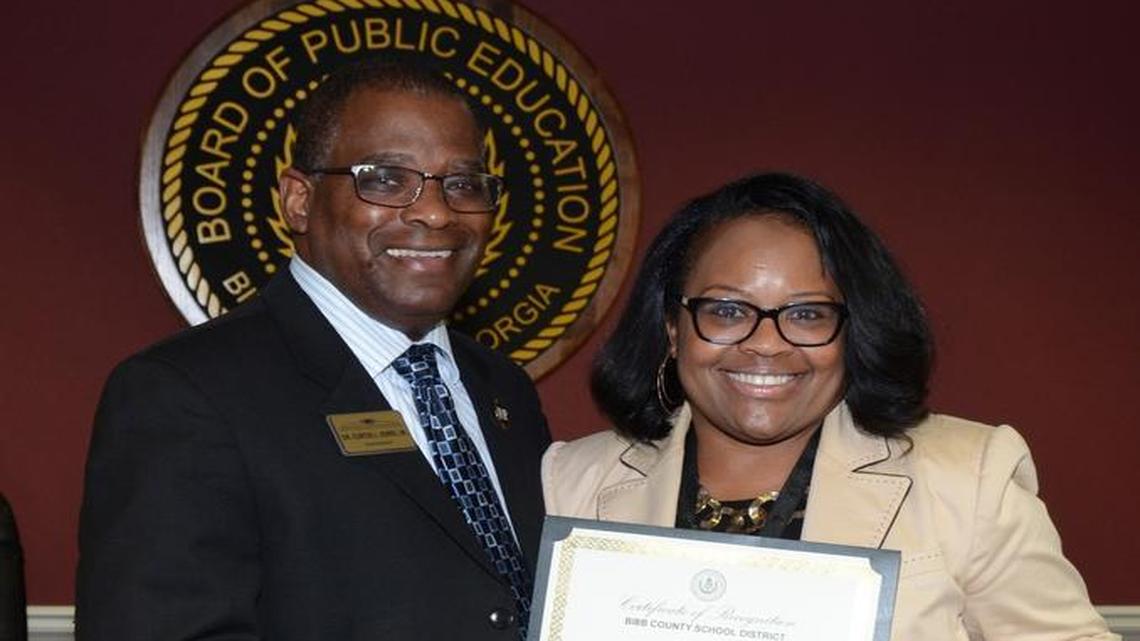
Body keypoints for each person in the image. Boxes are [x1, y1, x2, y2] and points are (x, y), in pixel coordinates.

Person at [77, 58, 551, 640]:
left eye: (464, 184)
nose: (434, 211)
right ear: (298, 200)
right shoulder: (184, 395)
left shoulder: (504, 392)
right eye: (385, 179)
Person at [542, 173, 1117, 640]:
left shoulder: (968, 479)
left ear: (851, 331)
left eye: (806, 314)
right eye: (727, 311)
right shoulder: (572, 482)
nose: (766, 343)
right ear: (674, 329)